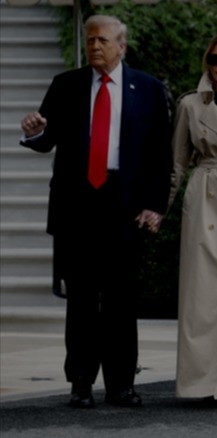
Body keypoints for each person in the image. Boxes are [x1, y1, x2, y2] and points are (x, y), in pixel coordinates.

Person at [19, 14, 172, 408]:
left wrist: (156, 205)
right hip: (77, 205)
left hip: (125, 203)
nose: (94, 47)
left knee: (122, 300)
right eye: (89, 40)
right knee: (82, 300)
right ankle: (81, 384)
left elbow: (160, 153)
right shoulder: (66, 85)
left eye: (102, 40)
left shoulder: (149, 89)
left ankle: (122, 384)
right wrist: (35, 130)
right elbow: (46, 138)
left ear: (121, 46)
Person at [165, 33, 217, 405]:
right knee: (200, 294)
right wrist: (160, 208)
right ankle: (198, 384)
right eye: (214, 59)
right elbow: (176, 163)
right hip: (204, 194)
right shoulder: (189, 105)